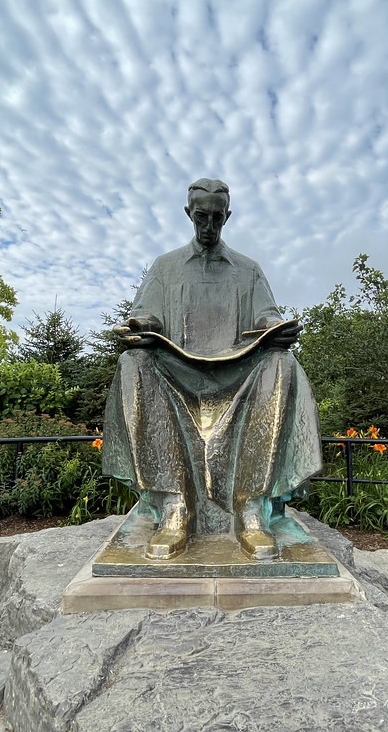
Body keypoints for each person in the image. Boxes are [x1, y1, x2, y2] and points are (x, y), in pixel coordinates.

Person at [102, 178, 322, 561]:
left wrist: (275, 329)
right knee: (133, 362)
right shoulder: (165, 267)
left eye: (217, 218)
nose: (208, 226)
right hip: (176, 374)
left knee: (280, 363)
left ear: (228, 216)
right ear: (189, 214)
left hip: (238, 376)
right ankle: (174, 506)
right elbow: (144, 314)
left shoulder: (248, 270)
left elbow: (267, 314)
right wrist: (142, 327)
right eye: (201, 217)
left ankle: (250, 509)